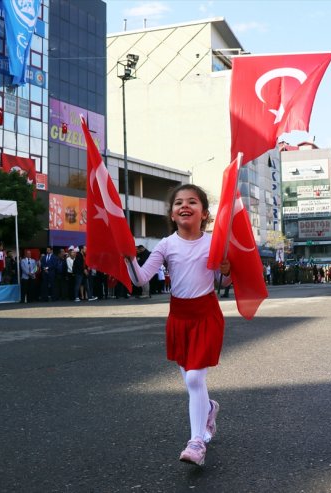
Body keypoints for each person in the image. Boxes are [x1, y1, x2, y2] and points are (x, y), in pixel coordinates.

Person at [125, 184, 231, 467]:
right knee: (190, 380)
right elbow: (140, 279)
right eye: (178, 203)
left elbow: (224, 284)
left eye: (192, 202)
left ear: (204, 213)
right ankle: (208, 408)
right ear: (172, 214)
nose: (185, 206)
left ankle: (197, 442)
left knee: (195, 379)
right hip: (179, 318)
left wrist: (226, 270)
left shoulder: (214, 243)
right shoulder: (166, 245)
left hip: (206, 315)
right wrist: (128, 257)